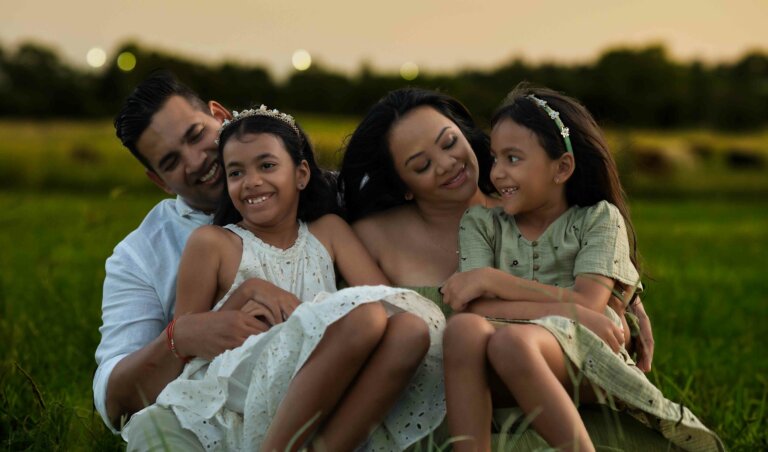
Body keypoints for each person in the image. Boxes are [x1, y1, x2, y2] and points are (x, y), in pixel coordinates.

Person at [339, 87, 663, 450]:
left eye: (449, 143)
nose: (446, 163)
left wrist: (628, 296)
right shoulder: (373, 235)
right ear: (402, 186)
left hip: (558, 400)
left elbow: (594, 285)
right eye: (422, 165)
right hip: (436, 414)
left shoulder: (528, 204)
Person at [135, 105, 445, 451]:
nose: (252, 182)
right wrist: (247, 293)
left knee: (411, 329)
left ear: (300, 174)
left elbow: (384, 298)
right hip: (242, 377)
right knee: (367, 318)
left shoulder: (327, 231)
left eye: (267, 166)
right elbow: (189, 338)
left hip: (320, 370)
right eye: (236, 173)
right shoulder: (214, 243)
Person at [439, 85, 723, 451]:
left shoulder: (598, 219)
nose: (496, 173)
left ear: (562, 167)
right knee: (462, 329)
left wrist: (493, 280)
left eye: (513, 159)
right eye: (495, 158)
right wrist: (571, 308)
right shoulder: (481, 223)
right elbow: (476, 308)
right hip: (509, 347)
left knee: (512, 342)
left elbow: (590, 303)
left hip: (589, 355)